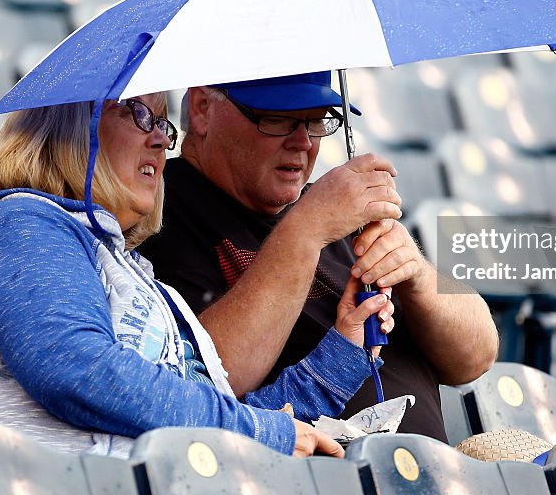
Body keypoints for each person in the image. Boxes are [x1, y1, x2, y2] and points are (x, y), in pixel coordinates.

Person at [0, 94, 395, 458]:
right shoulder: (22, 222)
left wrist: (345, 349)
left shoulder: (138, 273)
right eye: (138, 115)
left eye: (163, 123)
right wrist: (261, 433)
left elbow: (222, 412)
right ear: (70, 127)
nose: (159, 139)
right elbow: (81, 373)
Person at [141, 71, 499, 441]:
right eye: (277, 120)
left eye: (316, 122)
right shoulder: (155, 214)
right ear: (202, 108)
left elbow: (477, 358)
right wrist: (307, 228)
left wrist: (417, 275)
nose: (303, 143)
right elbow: (208, 378)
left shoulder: (334, 210)